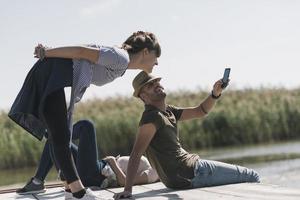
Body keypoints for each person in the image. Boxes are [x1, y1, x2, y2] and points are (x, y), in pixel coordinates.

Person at [8, 31, 161, 200]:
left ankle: (70, 190)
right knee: (60, 136)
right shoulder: (121, 58)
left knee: (60, 135)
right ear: (146, 52)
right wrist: (47, 51)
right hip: (50, 73)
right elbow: (82, 51)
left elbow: (84, 57)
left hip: (51, 75)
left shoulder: (121, 63)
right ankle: (78, 192)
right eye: (156, 56)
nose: (157, 61)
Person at [114, 71, 260, 199]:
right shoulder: (151, 117)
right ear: (144, 97)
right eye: (150, 85)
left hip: (182, 175)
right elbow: (136, 154)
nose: (157, 84)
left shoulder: (168, 111)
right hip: (190, 171)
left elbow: (200, 111)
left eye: (157, 81)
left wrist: (215, 93)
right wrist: (128, 190)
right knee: (252, 176)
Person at [16, 120, 159, 196]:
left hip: (97, 176)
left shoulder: (154, 172)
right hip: (96, 168)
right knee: (54, 140)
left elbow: (125, 184)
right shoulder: (146, 161)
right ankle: (37, 181)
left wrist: (113, 162)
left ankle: (48, 132)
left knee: (87, 126)